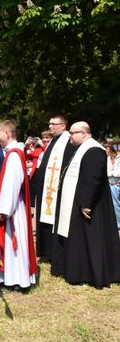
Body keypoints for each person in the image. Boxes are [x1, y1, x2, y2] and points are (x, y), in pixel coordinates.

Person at [51, 122, 120, 287]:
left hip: (90, 206)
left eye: (73, 133)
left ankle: (89, 273)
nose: (70, 137)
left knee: (91, 240)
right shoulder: (82, 149)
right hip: (80, 203)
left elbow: (92, 179)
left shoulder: (94, 150)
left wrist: (85, 203)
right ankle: (79, 270)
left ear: (83, 133)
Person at [0, 120, 37, 291]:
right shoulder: (15, 153)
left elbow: (12, 184)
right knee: (16, 243)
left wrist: (4, 210)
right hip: (14, 204)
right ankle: (13, 278)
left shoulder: (13, 154)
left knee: (13, 243)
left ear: (7, 133)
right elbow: (7, 181)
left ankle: (15, 280)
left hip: (12, 208)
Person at [31, 114, 76, 262]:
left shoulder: (68, 141)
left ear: (63, 126)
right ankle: (47, 252)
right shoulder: (53, 141)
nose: (50, 127)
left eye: (53, 124)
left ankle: (56, 253)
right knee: (46, 220)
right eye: (49, 124)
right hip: (47, 189)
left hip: (58, 190)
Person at [105, 143, 120, 229]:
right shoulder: (107, 159)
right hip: (111, 184)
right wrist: (112, 174)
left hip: (117, 184)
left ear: (110, 149)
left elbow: (118, 173)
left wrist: (111, 174)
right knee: (115, 204)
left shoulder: (118, 158)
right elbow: (107, 173)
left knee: (116, 204)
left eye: (107, 149)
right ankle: (117, 224)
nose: (106, 151)